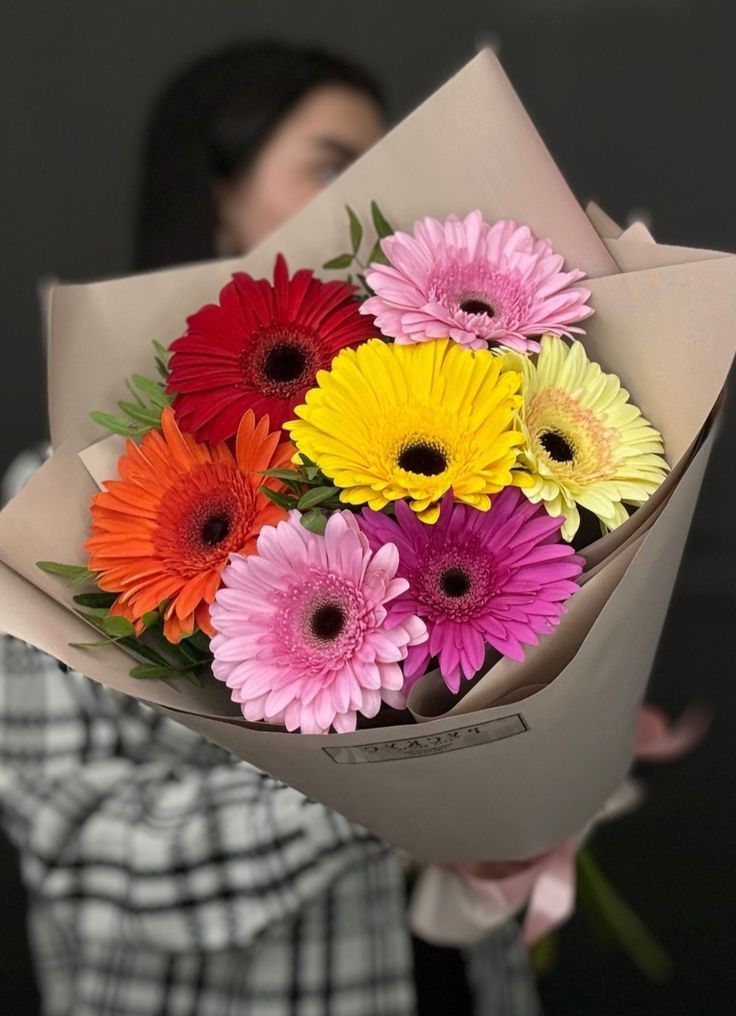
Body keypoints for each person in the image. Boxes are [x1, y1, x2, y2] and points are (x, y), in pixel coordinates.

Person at [0, 42, 541, 1016]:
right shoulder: (77, 497)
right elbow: (83, 857)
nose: (375, 198)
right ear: (214, 194)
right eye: (333, 166)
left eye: (389, 167)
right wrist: (389, 792)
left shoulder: (449, 448)